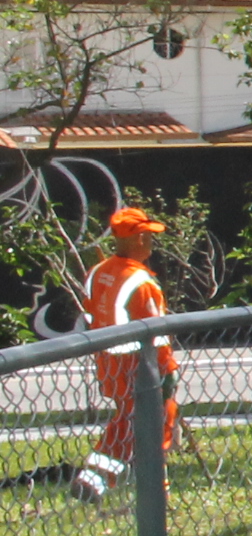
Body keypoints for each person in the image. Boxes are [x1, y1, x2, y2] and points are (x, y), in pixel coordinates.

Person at [74, 208, 178, 508]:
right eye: (149, 237)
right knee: (156, 423)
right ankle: (157, 492)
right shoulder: (140, 282)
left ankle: (93, 479)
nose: (152, 244)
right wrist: (167, 371)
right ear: (139, 238)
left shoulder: (99, 272)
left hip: (108, 362)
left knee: (128, 421)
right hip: (140, 366)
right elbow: (155, 333)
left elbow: (92, 314)